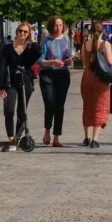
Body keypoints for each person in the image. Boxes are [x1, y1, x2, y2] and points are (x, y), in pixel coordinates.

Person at [0, 22, 41, 151]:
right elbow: (2, 66)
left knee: (22, 111)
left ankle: (17, 139)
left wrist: (33, 40)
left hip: (26, 82)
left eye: (25, 32)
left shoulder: (30, 48)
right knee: (9, 110)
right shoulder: (8, 48)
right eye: (20, 31)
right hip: (12, 82)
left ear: (29, 33)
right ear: (17, 32)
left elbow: (38, 53)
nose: (22, 33)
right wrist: (0, 86)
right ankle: (10, 138)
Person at [38, 15, 73, 148]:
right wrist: (52, 62)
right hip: (48, 74)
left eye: (60, 25)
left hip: (62, 74)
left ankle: (56, 136)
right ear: (51, 26)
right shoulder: (46, 40)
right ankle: (47, 130)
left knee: (59, 105)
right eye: (56, 25)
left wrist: (69, 60)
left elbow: (69, 56)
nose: (58, 28)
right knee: (50, 103)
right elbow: (41, 60)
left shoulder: (66, 39)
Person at [81, 19, 112, 148]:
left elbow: (84, 63)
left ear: (90, 31)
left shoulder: (85, 44)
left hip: (87, 78)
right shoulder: (105, 44)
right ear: (103, 31)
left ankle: (86, 137)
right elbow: (110, 61)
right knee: (100, 107)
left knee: (87, 106)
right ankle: (94, 140)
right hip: (100, 79)